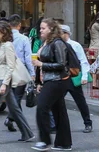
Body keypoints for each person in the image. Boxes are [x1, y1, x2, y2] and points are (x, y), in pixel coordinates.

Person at [31, 18, 72, 152]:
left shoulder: (58, 43)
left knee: (42, 107)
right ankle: (64, 143)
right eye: (40, 28)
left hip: (58, 81)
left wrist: (41, 64)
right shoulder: (47, 42)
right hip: (51, 81)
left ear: (51, 29)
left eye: (43, 28)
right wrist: (39, 81)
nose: (40, 30)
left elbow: (61, 64)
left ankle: (44, 140)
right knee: (59, 112)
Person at [4, 14, 34, 132]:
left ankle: (16, 121)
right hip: (20, 69)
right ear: (19, 25)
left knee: (11, 96)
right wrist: (32, 73)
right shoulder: (23, 39)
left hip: (7, 69)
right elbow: (28, 58)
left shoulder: (5, 38)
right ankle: (11, 118)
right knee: (17, 96)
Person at [60, 25, 93, 133]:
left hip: (74, 77)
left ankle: (88, 123)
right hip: (62, 77)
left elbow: (83, 61)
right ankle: (54, 124)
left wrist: (84, 77)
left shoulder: (75, 45)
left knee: (80, 102)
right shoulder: (58, 45)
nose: (59, 35)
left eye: (61, 33)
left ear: (67, 33)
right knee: (56, 101)